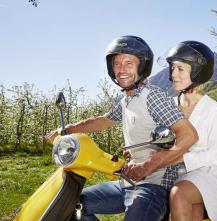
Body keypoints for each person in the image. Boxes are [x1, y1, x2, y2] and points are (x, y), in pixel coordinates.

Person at [45, 35, 198, 221]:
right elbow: (103, 120)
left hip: (154, 186)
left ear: (142, 66)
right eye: (117, 64)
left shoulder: (153, 97)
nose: (121, 69)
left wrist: (146, 166)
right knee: (73, 205)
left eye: (128, 63)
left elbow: (189, 135)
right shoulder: (127, 100)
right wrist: (67, 130)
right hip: (128, 182)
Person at [164, 41, 217, 221]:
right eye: (172, 68)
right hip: (172, 172)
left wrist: (180, 159)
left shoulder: (213, 109)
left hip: (208, 172)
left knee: (179, 194)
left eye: (180, 69)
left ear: (197, 72)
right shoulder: (168, 106)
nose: (173, 74)